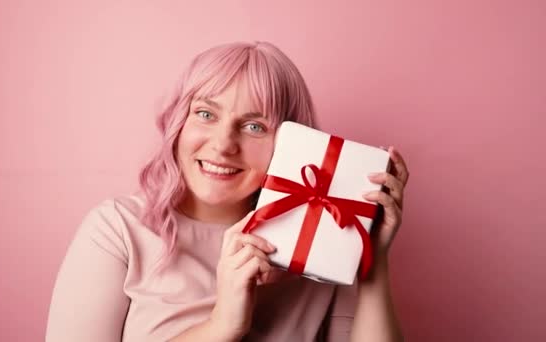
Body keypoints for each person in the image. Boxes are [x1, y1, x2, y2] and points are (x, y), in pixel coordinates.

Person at [45, 41, 409, 342]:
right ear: (179, 123)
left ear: (294, 144)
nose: (222, 145)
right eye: (205, 114)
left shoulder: (323, 249)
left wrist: (370, 259)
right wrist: (222, 325)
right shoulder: (119, 230)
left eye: (254, 126)